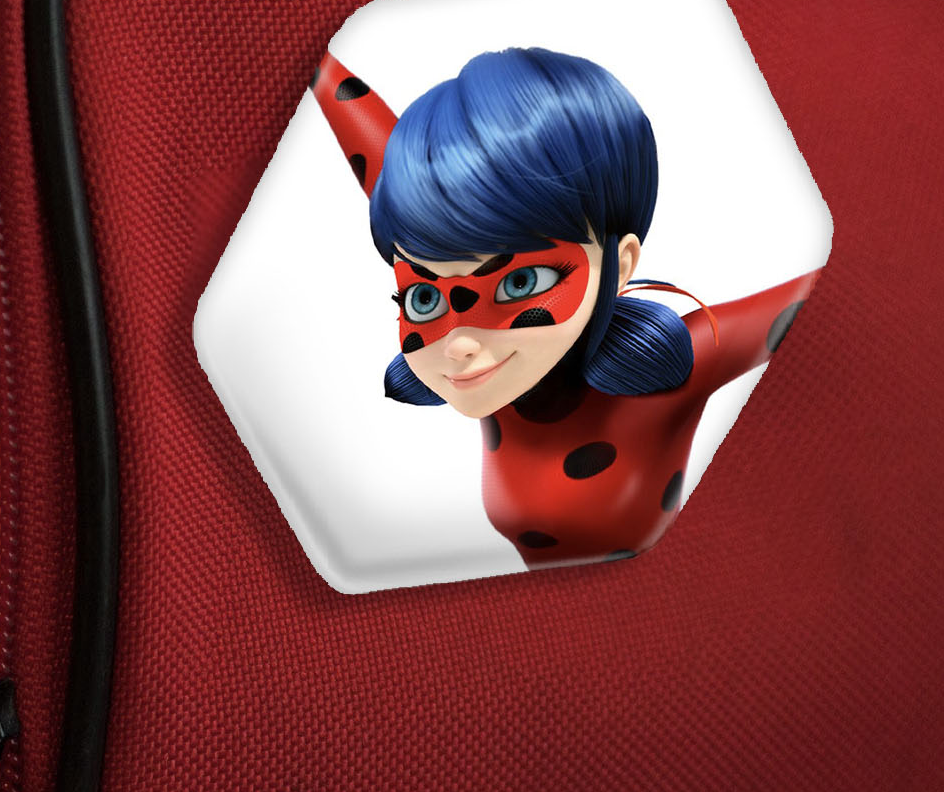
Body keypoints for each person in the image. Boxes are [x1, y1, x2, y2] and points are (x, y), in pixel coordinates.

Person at [313, 44, 818, 566]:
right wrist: (307, 57)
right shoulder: (501, 374)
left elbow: (834, 295)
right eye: (423, 298)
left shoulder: (679, 365)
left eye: (519, 283)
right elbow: (394, 173)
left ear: (620, 263)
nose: (459, 344)